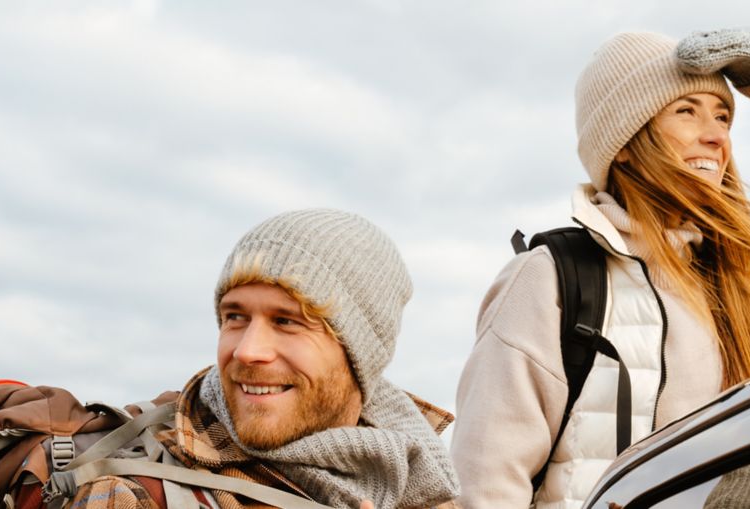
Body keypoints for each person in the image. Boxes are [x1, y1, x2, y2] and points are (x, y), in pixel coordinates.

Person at [450, 27, 750, 508]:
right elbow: (487, 484)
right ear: (624, 142)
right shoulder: (552, 278)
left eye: (723, 116)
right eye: (686, 112)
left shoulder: (745, 268)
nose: (715, 136)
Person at [68, 209, 460, 509]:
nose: (247, 351)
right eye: (234, 316)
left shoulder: (423, 482)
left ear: (362, 354)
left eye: (287, 321)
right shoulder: (134, 494)